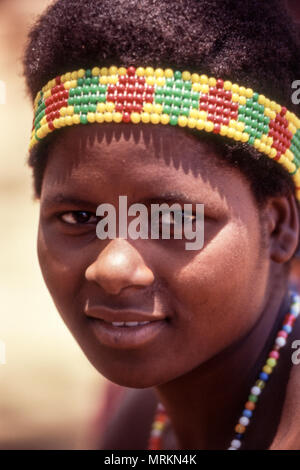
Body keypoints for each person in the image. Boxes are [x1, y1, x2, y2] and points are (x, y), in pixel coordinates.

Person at [22, 0, 300, 450]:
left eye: (171, 219)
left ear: (280, 226)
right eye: (79, 217)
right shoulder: (142, 419)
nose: (111, 268)